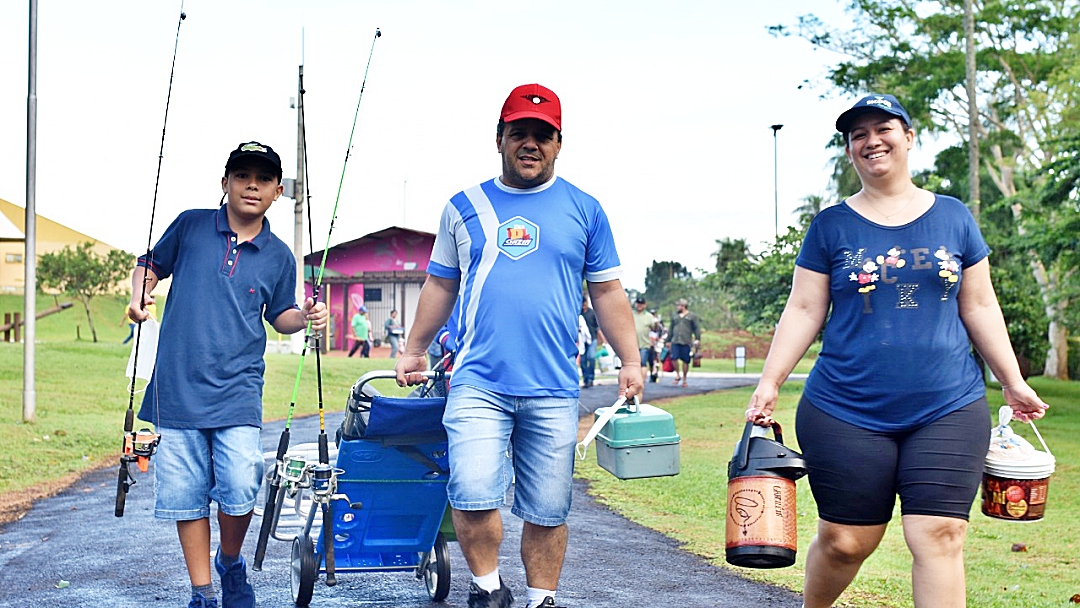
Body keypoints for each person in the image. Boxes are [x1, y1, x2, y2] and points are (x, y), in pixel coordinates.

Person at [744, 94, 1049, 608]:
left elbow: (978, 305)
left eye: (882, 128)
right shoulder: (831, 226)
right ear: (849, 151)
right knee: (847, 542)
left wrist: (1012, 379)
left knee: (941, 535)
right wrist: (770, 382)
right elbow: (803, 309)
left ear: (909, 137)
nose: (871, 141)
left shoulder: (953, 217)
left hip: (947, 405)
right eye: (857, 135)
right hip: (846, 408)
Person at [394, 83, 641, 608]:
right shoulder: (464, 206)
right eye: (519, 133)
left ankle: (540, 598)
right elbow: (441, 283)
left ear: (558, 143)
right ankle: (486, 588)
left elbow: (607, 291)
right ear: (500, 137)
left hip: (553, 387)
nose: (530, 144)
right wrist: (414, 348)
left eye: (542, 135)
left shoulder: (585, 209)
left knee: (548, 508)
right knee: (473, 492)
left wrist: (632, 359)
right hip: (478, 383)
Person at [127, 141, 329, 608]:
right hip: (176, 390)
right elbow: (149, 267)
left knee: (241, 486)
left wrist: (307, 317)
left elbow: (280, 315)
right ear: (225, 183)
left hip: (238, 389)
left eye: (262, 178)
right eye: (241, 176)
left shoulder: (279, 255)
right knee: (187, 496)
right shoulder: (192, 224)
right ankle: (202, 593)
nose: (251, 185)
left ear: (278, 191)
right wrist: (139, 294)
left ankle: (231, 560)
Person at [665, 297, 700, 387]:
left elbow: (696, 328)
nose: (677, 307)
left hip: (686, 341)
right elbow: (671, 329)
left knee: (685, 360)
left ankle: (684, 378)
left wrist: (697, 339)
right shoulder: (674, 316)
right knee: (674, 358)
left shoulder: (691, 316)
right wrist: (668, 340)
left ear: (683, 306)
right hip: (675, 340)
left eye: (679, 305)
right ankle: (677, 374)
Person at [632, 296, 657, 383]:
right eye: (638, 303)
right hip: (632, 344)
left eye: (641, 304)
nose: (639, 305)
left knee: (642, 362)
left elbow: (654, 329)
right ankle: (634, 381)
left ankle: (641, 381)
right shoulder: (631, 314)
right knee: (633, 364)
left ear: (645, 305)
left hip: (644, 344)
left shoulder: (649, 316)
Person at [579, 297, 603, 388]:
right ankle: (586, 379)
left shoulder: (592, 313)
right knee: (583, 361)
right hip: (582, 340)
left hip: (592, 339)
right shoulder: (579, 314)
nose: (583, 306)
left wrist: (602, 339)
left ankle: (591, 378)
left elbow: (597, 328)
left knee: (591, 357)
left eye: (584, 303)